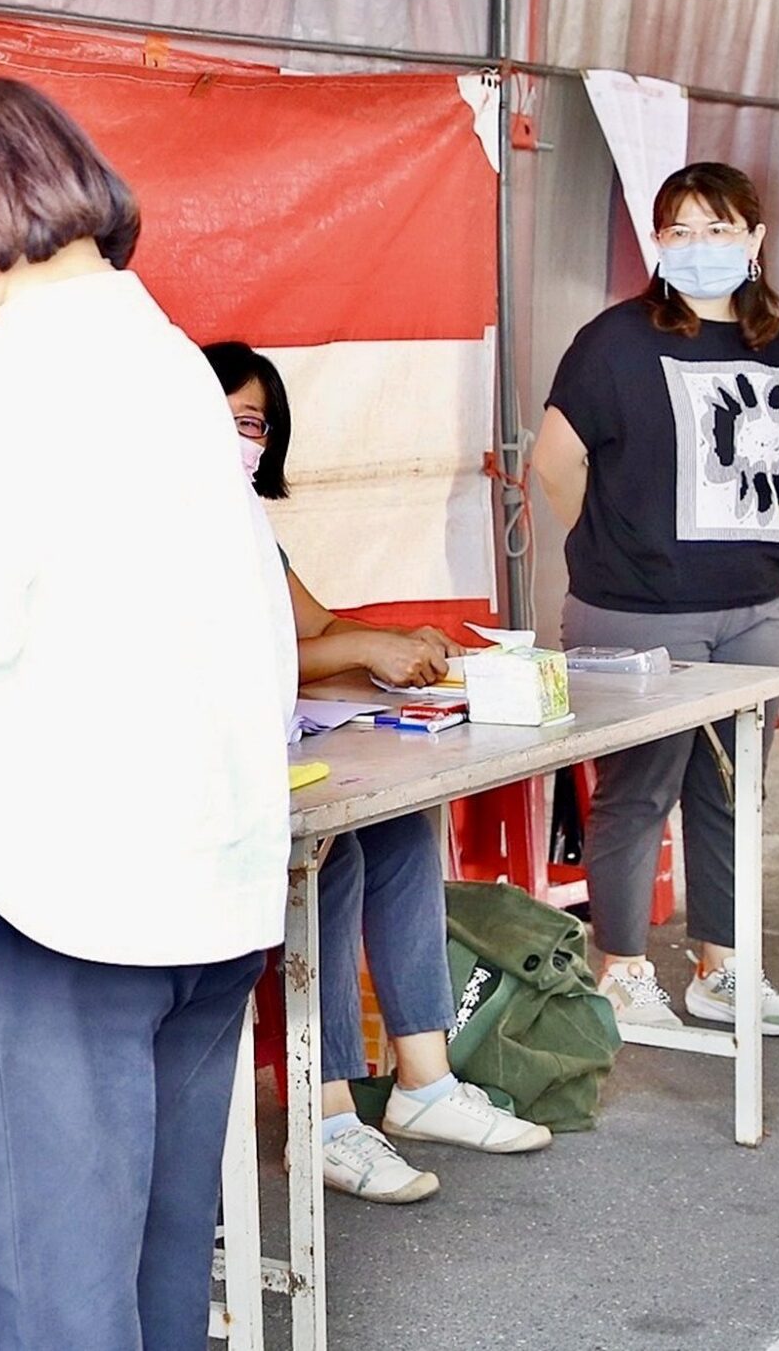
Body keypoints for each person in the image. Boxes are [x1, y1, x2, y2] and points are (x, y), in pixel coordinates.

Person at [0, 77, 297, 1350]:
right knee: (150, 1283)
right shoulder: (170, 362)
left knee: (47, 1298)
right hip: (205, 888)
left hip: (59, 905)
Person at [206, 341, 552, 1206]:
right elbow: (248, 656)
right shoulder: (160, 524)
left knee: (398, 826)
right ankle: (321, 1115)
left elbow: (313, 626)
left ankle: (424, 1082)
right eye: (229, 417)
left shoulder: (246, 525)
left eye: (255, 425)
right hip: (203, 781)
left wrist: (395, 645)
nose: (243, 438)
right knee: (332, 855)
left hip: (268, 753)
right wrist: (365, 648)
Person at [531, 161, 779, 1036]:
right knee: (637, 788)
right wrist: (619, 546)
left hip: (756, 608)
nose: (699, 247)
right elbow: (555, 461)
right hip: (638, 612)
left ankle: (721, 966)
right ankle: (620, 969)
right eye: (680, 231)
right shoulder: (614, 341)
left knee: (734, 788)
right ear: (658, 243)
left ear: (755, 240)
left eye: (719, 229)